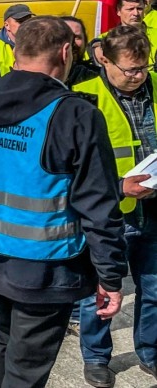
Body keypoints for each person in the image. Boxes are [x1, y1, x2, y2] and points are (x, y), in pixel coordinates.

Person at [0, 16, 127, 388]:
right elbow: (98, 204)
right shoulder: (74, 112)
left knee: (2, 344)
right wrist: (111, 275)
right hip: (46, 263)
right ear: (67, 51)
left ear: (16, 50)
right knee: (26, 369)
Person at [70, 26, 157, 387]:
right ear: (104, 59)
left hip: (153, 211)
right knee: (101, 291)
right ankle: (96, 357)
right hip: (107, 214)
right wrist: (119, 185)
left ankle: (150, 352)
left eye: (143, 68)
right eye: (130, 70)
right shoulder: (81, 98)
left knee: (153, 289)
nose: (138, 77)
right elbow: (71, 168)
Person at [92, 0, 157, 64]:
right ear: (118, 11)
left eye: (139, 9)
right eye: (130, 9)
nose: (136, 13)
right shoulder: (104, 39)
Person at [0, 4, 34, 83]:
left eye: (29, 21)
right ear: (7, 25)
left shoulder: (39, 42)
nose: (26, 25)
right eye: (20, 21)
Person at [61, 16, 99, 86]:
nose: (72, 42)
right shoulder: (42, 76)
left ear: (85, 41)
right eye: (67, 36)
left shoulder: (97, 76)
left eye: (77, 37)